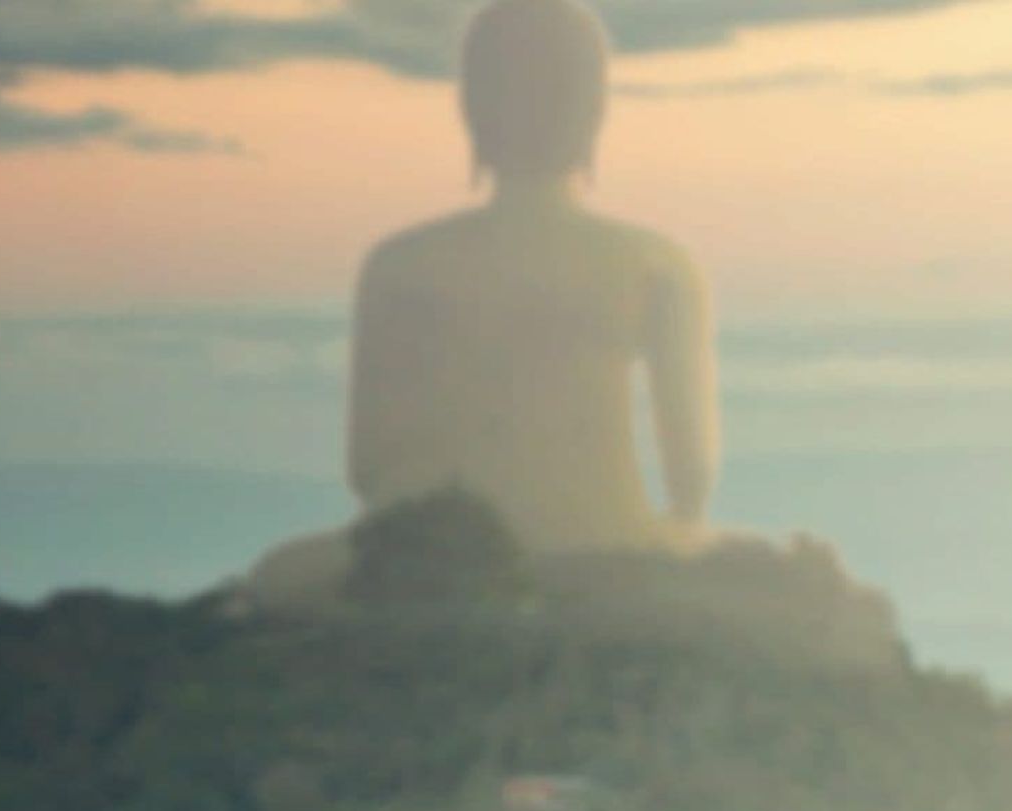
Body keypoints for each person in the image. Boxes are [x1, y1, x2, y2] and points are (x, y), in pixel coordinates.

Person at [243, 0, 717, 600]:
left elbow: (367, 470)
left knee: (276, 576)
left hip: (430, 559)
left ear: (473, 110)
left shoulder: (399, 266)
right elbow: (690, 483)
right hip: (606, 547)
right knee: (747, 568)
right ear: (594, 110)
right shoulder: (657, 264)